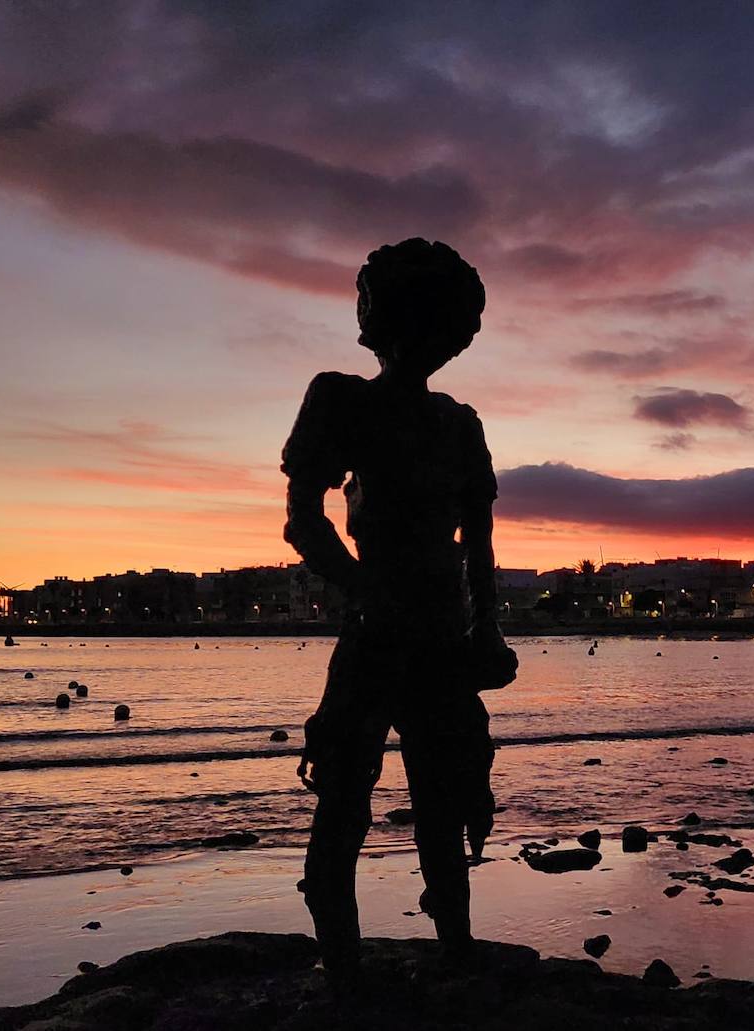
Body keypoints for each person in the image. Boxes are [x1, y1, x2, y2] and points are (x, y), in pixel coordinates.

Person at [280, 238, 517, 991]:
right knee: (345, 793)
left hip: (440, 632)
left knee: (445, 796)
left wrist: (486, 626)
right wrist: (361, 590)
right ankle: (344, 967)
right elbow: (303, 519)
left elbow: (479, 546)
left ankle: (456, 945)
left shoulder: (460, 423)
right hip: (377, 627)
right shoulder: (340, 397)